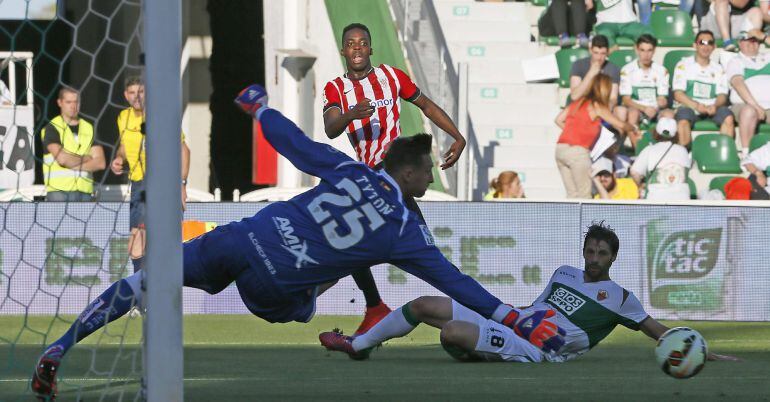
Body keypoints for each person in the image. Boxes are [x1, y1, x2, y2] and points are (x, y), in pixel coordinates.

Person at [30, 86, 564, 400]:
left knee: (146, 279)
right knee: (307, 301)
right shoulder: (405, 229)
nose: (429, 177)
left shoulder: (351, 169)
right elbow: (454, 281)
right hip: (277, 287)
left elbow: (294, 143)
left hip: (244, 237)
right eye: (426, 170)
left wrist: (260, 109)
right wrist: (514, 318)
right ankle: (321, 295)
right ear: (407, 173)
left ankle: (60, 345)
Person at [319, 222, 738, 363]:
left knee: (451, 333)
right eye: (590, 251)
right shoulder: (564, 273)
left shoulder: (620, 298)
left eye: (602, 253)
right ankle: (359, 344)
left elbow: (656, 330)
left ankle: (483, 350)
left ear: (613, 257)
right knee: (422, 303)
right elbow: (534, 307)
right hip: (517, 324)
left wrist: (703, 351)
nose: (594, 258)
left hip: (541, 348)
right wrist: (501, 313)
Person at [322, 23, 467, 335]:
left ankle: (470, 307)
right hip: (369, 179)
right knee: (351, 244)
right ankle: (374, 306)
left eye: (363, 42)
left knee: (424, 252)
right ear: (343, 50)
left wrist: (457, 136)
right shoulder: (336, 88)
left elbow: (426, 105)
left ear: (370, 48)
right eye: (351, 43)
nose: (357, 48)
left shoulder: (392, 76)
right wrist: (351, 114)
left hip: (395, 179)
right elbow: (331, 128)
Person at [110, 76, 191, 274]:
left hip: (163, 183)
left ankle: (160, 283)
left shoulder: (161, 115)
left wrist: (181, 184)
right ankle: (141, 284)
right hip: (139, 184)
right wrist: (119, 158)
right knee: (136, 242)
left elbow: (183, 150)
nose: (136, 97)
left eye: (141, 92)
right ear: (126, 95)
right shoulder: (123, 117)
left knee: (161, 239)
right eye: (132, 93)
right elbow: (124, 146)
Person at [555, 73, 637, 198]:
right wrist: (633, 128)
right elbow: (620, 124)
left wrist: (575, 132)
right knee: (584, 196)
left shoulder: (577, 103)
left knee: (572, 195)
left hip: (561, 149)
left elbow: (559, 120)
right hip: (578, 152)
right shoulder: (597, 106)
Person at [40, 87, 106, 201]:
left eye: (76, 102)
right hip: (59, 191)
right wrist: (87, 158)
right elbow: (62, 159)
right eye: (68, 102)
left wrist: (74, 166)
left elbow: (100, 163)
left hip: (84, 191)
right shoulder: (52, 128)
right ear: (59, 103)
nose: (73, 106)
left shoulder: (89, 128)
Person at [672, 30, 735, 148]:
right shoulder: (683, 65)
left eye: (709, 43)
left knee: (728, 117)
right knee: (683, 119)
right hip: (690, 106)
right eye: (702, 42)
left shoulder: (719, 69)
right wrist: (696, 106)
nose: (706, 46)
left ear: (714, 47)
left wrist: (715, 106)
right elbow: (678, 94)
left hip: (712, 108)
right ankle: (683, 152)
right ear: (695, 45)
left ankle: (723, 153)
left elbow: (722, 95)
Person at [619, 34, 673, 148]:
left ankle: (662, 150)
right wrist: (644, 109)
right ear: (636, 49)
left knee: (669, 115)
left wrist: (658, 106)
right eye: (642, 50)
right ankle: (638, 150)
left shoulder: (662, 71)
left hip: (655, 109)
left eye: (649, 50)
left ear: (654, 51)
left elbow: (662, 98)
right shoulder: (627, 70)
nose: (646, 55)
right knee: (632, 114)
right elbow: (626, 100)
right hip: (637, 108)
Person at [726, 31, 770, 157]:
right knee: (748, 111)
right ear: (740, 43)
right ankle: (747, 155)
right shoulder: (736, 61)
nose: (752, 43)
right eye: (747, 40)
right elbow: (738, 83)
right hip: (745, 104)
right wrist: (756, 106)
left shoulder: (767, 57)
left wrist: (764, 37)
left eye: (754, 40)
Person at [629, 117, 692, 200]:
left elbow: (634, 172)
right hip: (682, 201)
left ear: (656, 133)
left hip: (656, 200)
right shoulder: (683, 151)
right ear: (676, 134)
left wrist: (640, 186)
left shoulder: (650, 150)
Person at [569, 35, 626, 122]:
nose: (599, 58)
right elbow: (575, 96)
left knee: (621, 111)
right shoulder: (579, 65)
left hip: (603, 107)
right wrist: (591, 73)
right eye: (596, 53)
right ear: (590, 50)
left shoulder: (613, 69)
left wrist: (604, 110)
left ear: (607, 52)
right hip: (583, 106)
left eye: (603, 53)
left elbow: (613, 98)